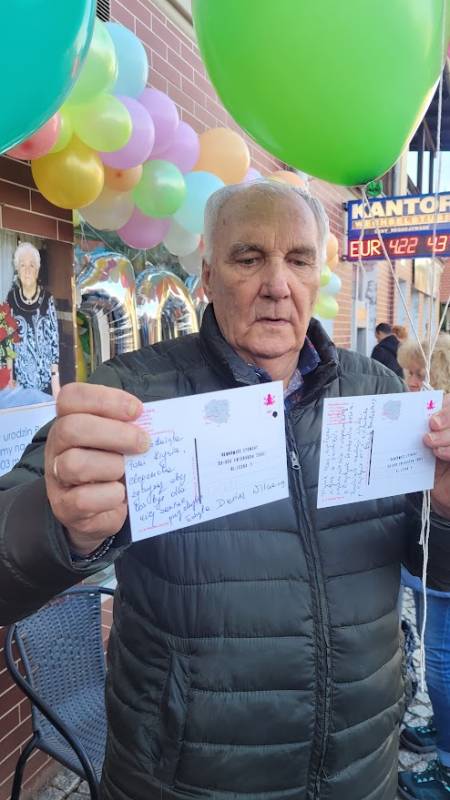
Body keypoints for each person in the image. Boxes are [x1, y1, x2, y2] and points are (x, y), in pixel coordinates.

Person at [1, 182, 450, 800]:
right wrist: (58, 524)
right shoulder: (134, 392)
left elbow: (432, 567)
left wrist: (445, 509)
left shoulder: (377, 390)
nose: (277, 284)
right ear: (209, 276)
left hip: (360, 771)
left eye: (298, 259)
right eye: (249, 258)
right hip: (184, 780)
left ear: (317, 275)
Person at [396, 334, 450, 800]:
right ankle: (441, 727)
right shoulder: (417, 417)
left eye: (419, 373)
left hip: (445, 569)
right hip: (426, 562)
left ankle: (448, 764)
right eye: (408, 373)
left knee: (441, 662)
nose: (410, 381)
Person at [7, 242, 60, 398]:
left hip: (45, 381)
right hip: (20, 382)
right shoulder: (10, 299)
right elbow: (7, 340)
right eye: (22, 265)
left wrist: (55, 380)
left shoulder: (47, 299)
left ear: (37, 270)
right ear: (17, 270)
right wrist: (9, 376)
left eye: (31, 265)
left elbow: (54, 342)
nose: (27, 270)